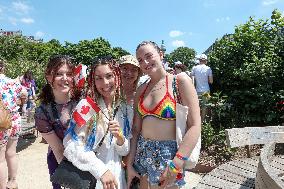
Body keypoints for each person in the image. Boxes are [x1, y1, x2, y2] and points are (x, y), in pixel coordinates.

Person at [127, 41, 201, 189]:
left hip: (169, 158)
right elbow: (135, 130)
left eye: (149, 56)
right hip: (142, 156)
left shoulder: (179, 81)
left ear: (161, 55)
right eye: (140, 60)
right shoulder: (141, 91)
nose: (145, 62)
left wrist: (176, 164)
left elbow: (195, 125)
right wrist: (129, 164)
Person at [63, 56, 131, 189]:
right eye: (98, 78)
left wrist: (120, 138)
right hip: (92, 180)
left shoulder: (125, 109)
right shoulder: (86, 106)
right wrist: (101, 170)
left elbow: (124, 152)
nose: (105, 83)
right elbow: (71, 144)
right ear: (93, 81)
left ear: (117, 75)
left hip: (116, 181)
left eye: (109, 76)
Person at [34, 55, 80, 189]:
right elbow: (58, 148)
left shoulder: (82, 100)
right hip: (60, 161)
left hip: (87, 158)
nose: (65, 78)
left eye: (69, 74)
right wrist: (71, 180)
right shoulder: (42, 112)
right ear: (49, 77)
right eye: (59, 74)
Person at [0, 60, 22, 189]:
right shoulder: (14, 82)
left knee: (0, 158)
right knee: (11, 153)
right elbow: (23, 94)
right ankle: (13, 182)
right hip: (15, 120)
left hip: (2, 123)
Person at [190, 54, 213, 122]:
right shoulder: (208, 69)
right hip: (206, 91)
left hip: (197, 91)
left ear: (199, 60)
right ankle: (202, 122)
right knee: (205, 106)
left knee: (197, 107)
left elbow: (191, 79)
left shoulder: (194, 68)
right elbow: (211, 81)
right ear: (206, 61)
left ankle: (196, 122)